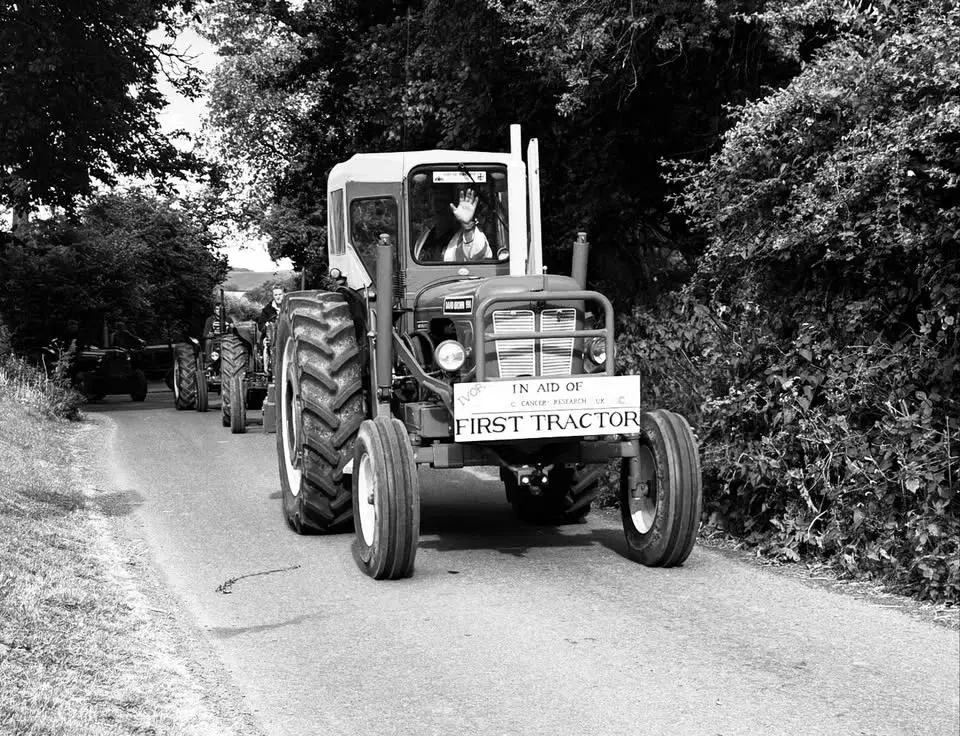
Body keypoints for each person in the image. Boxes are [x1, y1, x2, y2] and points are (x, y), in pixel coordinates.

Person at [415, 187, 492, 262]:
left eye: (443, 200)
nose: (438, 204)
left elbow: (479, 253)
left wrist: (468, 225)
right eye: (435, 198)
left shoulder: (470, 236)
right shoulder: (425, 236)